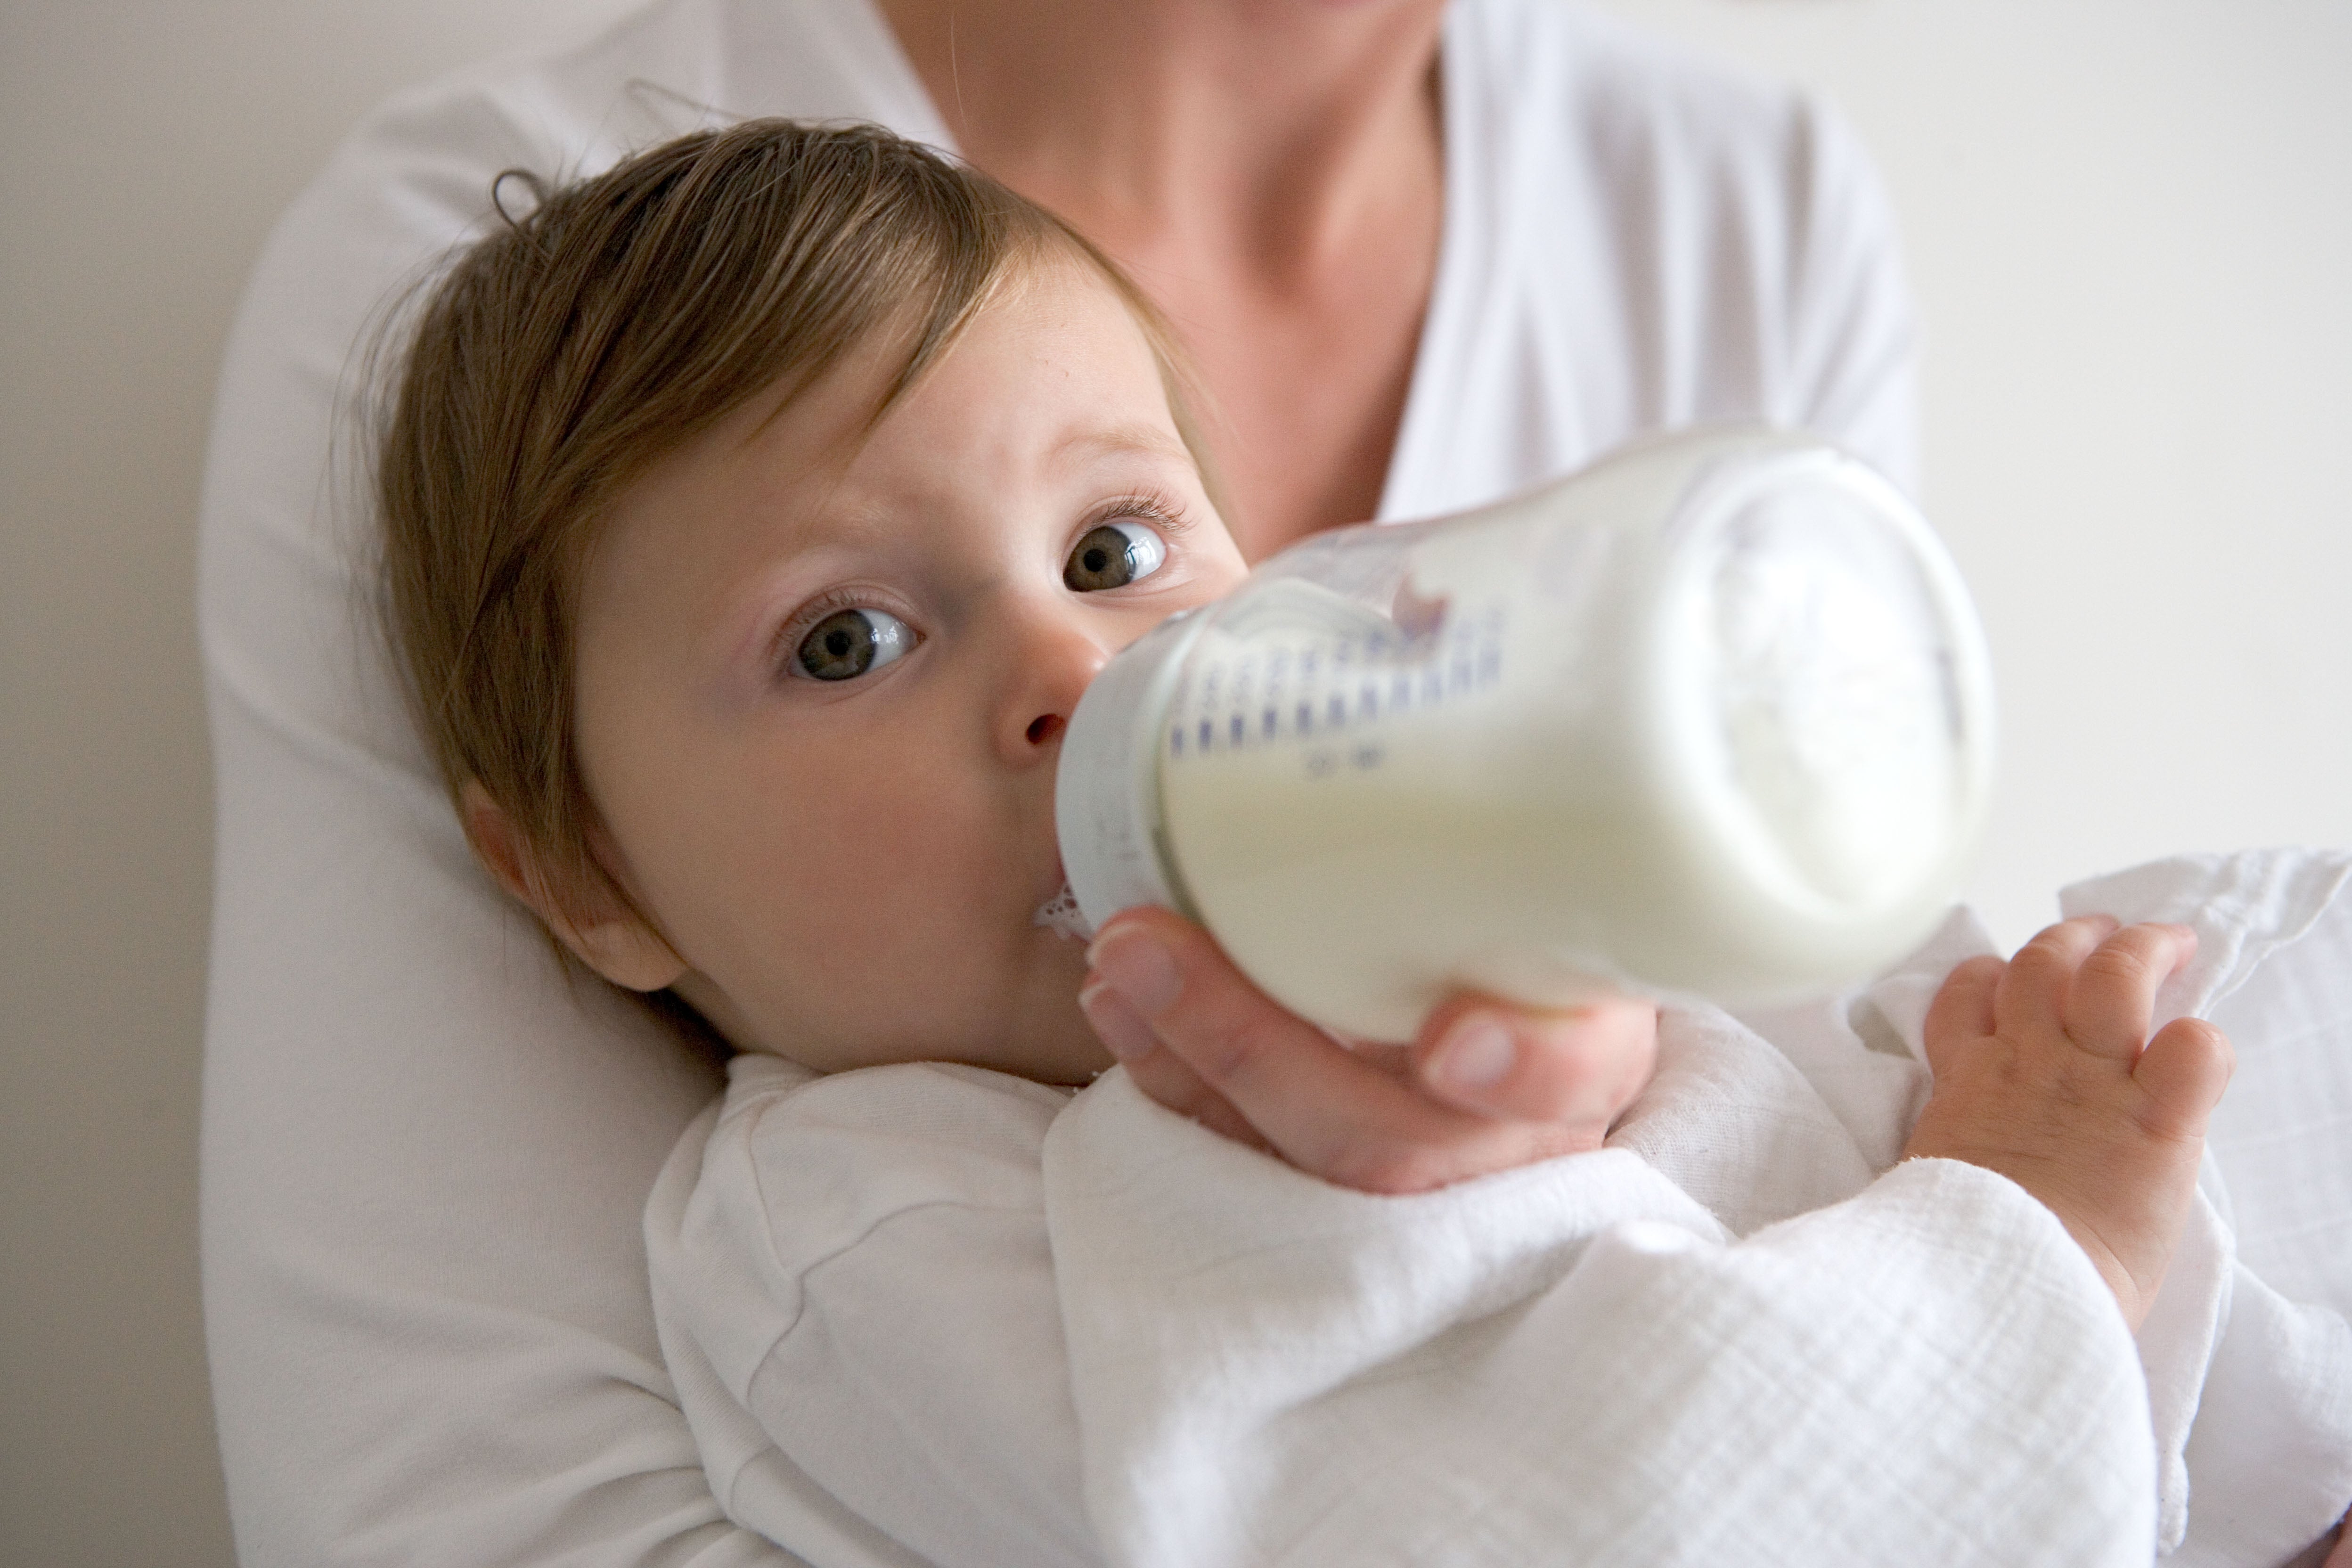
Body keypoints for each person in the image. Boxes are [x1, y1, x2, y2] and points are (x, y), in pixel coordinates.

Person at [194, 1, 2344, 1562]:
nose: (1071, 670)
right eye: (846, 638)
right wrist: (2037, 1237)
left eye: (1122, 550)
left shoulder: (1743, 226)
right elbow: (1595, 1520)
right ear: (584, 879)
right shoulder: (882, 1240)